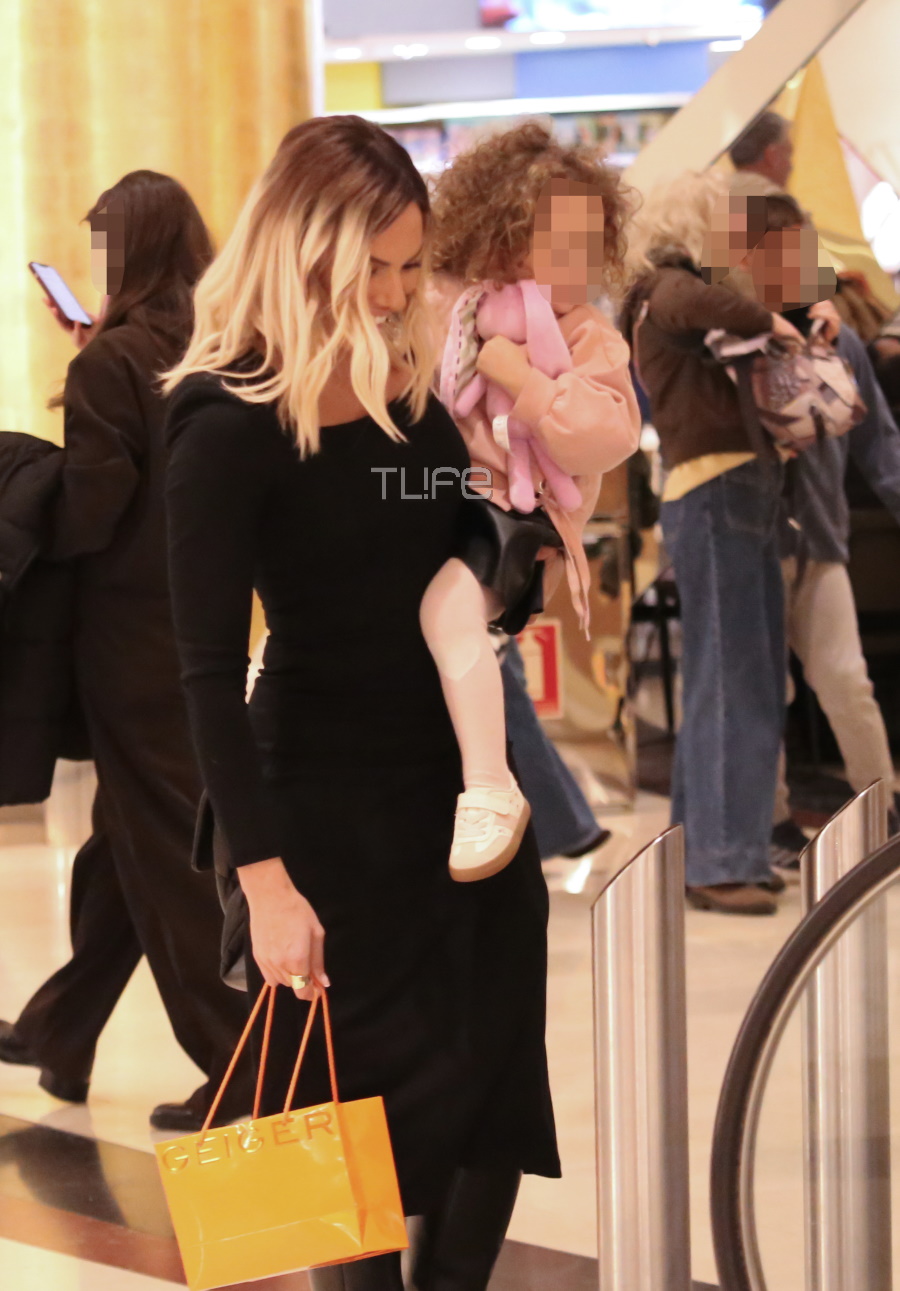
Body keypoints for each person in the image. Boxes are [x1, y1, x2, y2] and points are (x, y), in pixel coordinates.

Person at [162, 115, 560, 1291]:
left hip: (456, 794)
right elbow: (202, 674)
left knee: (494, 1081)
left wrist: (508, 559)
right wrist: (265, 882)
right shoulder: (224, 422)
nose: (391, 292)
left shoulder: (403, 389)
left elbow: (447, 529)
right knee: (344, 1124)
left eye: (407, 266)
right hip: (321, 806)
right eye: (370, 266)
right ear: (301, 248)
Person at [0, 171, 252, 1132]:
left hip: (125, 641)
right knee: (129, 840)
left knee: (168, 856)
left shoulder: (113, 362)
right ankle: (61, 1030)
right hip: (198, 622)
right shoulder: (218, 345)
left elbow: (92, 509)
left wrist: (33, 492)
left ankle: (240, 1063)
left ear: (129, 251)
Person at [423, 122, 640, 880]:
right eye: (559, 242)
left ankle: (491, 786)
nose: (579, 260)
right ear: (507, 242)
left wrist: (524, 381)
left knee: (451, 614)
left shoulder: (590, 337)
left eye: (591, 244)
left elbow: (604, 435)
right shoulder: (459, 308)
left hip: (520, 518)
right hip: (446, 501)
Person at [620, 172, 802, 915]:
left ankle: (714, 847)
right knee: (733, 678)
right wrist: (779, 322)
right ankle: (722, 857)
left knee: (734, 676)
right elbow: (729, 308)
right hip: (718, 494)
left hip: (727, 493)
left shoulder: (671, 294)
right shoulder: (669, 289)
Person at [724, 195, 900, 864]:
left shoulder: (839, 338)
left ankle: (881, 811)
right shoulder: (730, 341)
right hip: (749, 539)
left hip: (820, 538)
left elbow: (879, 444)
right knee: (764, 688)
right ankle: (769, 823)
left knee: (846, 679)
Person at [728, 110, 794, 200]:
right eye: (787, 156)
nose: (790, 167)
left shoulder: (723, 194)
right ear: (772, 156)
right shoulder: (773, 200)